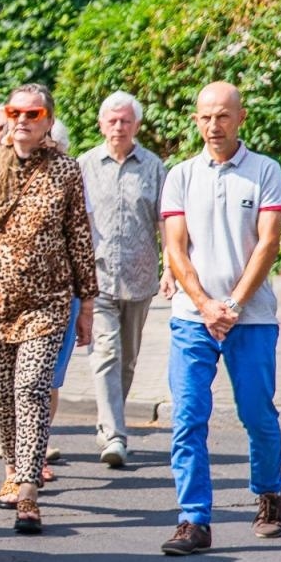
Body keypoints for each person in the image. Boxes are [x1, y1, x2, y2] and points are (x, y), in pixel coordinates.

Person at [0, 84, 96, 536]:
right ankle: (13, 466)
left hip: (47, 303)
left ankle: (28, 487)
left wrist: (86, 303)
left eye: (34, 113)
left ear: (48, 120)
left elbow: (80, 238)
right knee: (5, 392)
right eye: (15, 112)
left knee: (31, 388)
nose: (23, 120)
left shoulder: (66, 171)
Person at [159, 81, 281, 554]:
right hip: (192, 318)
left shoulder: (264, 172)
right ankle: (193, 519)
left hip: (249, 319)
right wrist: (205, 303)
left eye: (223, 116)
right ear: (196, 121)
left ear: (241, 118)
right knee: (188, 418)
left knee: (257, 415)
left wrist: (231, 305)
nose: (214, 125)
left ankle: (269, 493)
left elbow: (269, 243)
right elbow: (174, 247)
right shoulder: (182, 175)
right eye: (206, 116)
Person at [79, 92, 166, 470]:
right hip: (96, 279)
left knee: (127, 361)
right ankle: (114, 434)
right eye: (112, 121)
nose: (118, 127)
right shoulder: (84, 165)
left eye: (125, 121)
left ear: (136, 125)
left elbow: (166, 222)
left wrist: (174, 271)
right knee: (107, 354)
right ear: (101, 124)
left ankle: (110, 420)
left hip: (140, 276)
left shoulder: (153, 166)